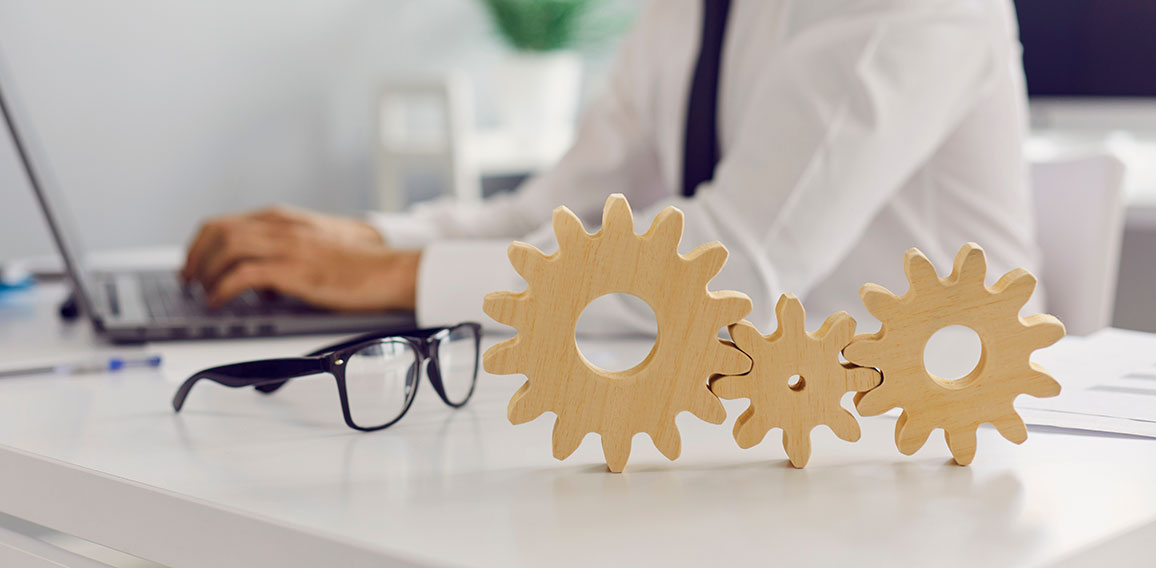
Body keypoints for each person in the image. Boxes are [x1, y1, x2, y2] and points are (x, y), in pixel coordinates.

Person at [182, 0, 1043, 334]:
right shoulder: (687, 10)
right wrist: (361, 239)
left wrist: (401, 275)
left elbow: (730, 264)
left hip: (910, 438)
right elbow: (562, 209)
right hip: (752, 413)